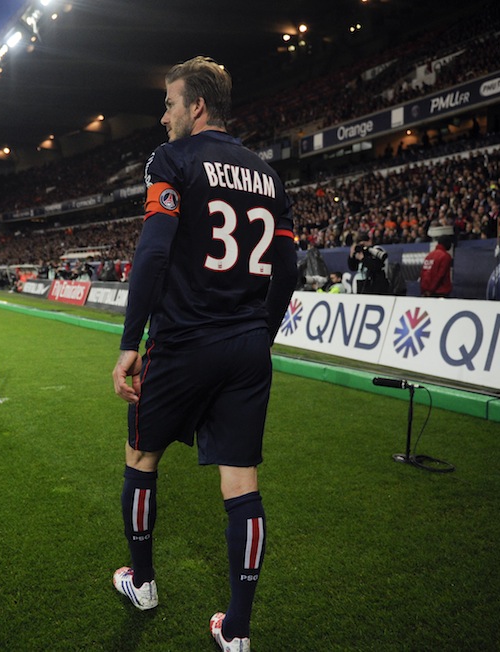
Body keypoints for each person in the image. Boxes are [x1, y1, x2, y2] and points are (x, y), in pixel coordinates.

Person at [110, 56, 297, 652]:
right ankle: (236, 631)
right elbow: (288, 274)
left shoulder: (172, 160)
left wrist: (129, 342)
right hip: (246, 346)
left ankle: (142, 582)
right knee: (242, 482)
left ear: (196, 106)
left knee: (141, 457)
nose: (163, 117)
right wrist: (259, 336)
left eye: (169, 104)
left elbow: (152, 253)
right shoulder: (269, 175)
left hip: (184, 341)